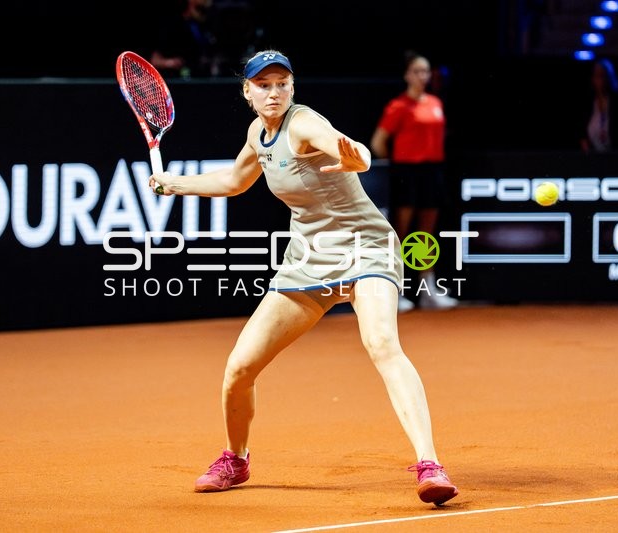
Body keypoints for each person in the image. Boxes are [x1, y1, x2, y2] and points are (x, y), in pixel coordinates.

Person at [149, 50, 459, 506]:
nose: (273, 92)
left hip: (365, 249)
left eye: (282, 83)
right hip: (309, 260)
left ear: (292, 88)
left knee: (382, 344)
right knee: (239, 367)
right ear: (247, 91)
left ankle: (430, 465)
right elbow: (235, 181)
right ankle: (235, 459)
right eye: (263, 85)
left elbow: (351, 150)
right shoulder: (258, 132)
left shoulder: (304, 122)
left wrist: (358, 158)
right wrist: (176, 184)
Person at [370, 51, 458, 312]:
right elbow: (378, 142)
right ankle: (393, 293)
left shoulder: (435, 102)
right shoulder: (398, 106)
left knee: (425, 235)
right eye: (418, 71)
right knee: (399, 234)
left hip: (432, 172)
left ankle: (427, 290)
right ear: (407, 75)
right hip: (406, 174)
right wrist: (398, 165)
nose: (423, 76)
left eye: (426, 71)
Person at [149, 0, 217, 78]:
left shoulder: (204, 26)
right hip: (175, 80)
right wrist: (170, 63)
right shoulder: (172, 26)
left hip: (200, 79)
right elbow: (155, 60)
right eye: (199, 8)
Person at [579, 58, 618, 154]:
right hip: (593, 159)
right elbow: (582, 135)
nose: (598, 79)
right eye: (596, 75)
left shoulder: (616, 103)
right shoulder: (588, 104)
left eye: (602, 75)